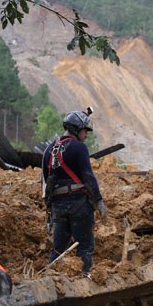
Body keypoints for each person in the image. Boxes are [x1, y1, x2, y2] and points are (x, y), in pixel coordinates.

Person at [41, 108, 108, 278]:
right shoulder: (79, 147)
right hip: (79, 204)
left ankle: (50, 279)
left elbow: (45, 180)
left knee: (58, 247)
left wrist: (50, 207)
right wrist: (99, 202)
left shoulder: (49, 150)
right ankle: (83, 280)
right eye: (85, 131)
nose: (86, 135)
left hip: (58, 206)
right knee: (85, 246)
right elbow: (88, 177)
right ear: (77, 129)